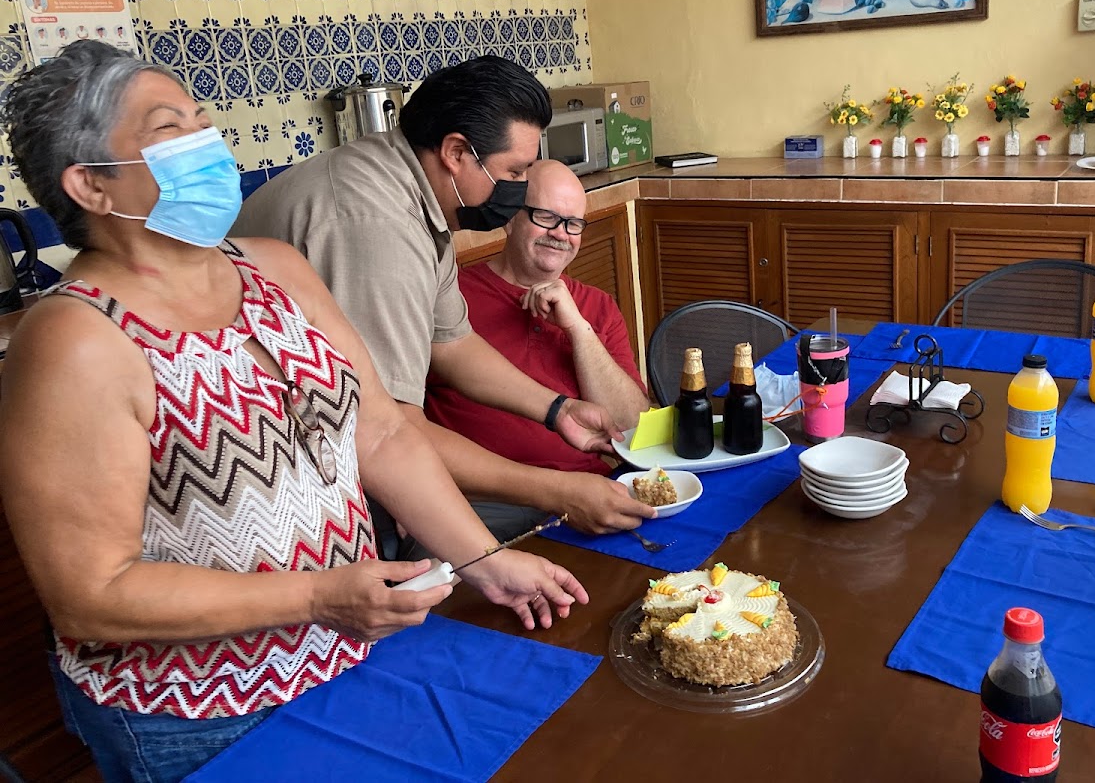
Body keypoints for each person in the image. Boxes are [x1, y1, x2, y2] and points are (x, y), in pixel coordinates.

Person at [0, 41, 587, 782]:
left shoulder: (273, 269)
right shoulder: (74, 341)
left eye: (202, 120)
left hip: (345, 653)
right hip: (201, 709)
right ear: (90, 184)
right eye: (169, 129)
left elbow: (381, 431)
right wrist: (317, 596)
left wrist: (484, 562)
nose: (207, 144)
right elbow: (93, 596)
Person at [233, 57, 654, 548]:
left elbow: (452, 343)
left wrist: (557, 410)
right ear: (456, 152)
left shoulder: (412, 196)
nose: (518, 188)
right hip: (274, 472)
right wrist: (557, 492)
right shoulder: (374, 224)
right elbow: (386, 428)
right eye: (515, 171)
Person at [426, 159, 649, 474]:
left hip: (590, 485)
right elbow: (402, 422)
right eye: (546, 217)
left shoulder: (597, 306)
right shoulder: (449, 298)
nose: (561, 233)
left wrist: (579, 330)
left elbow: (633, 429)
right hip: (487, 492)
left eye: (573, 223)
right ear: (509, 219)